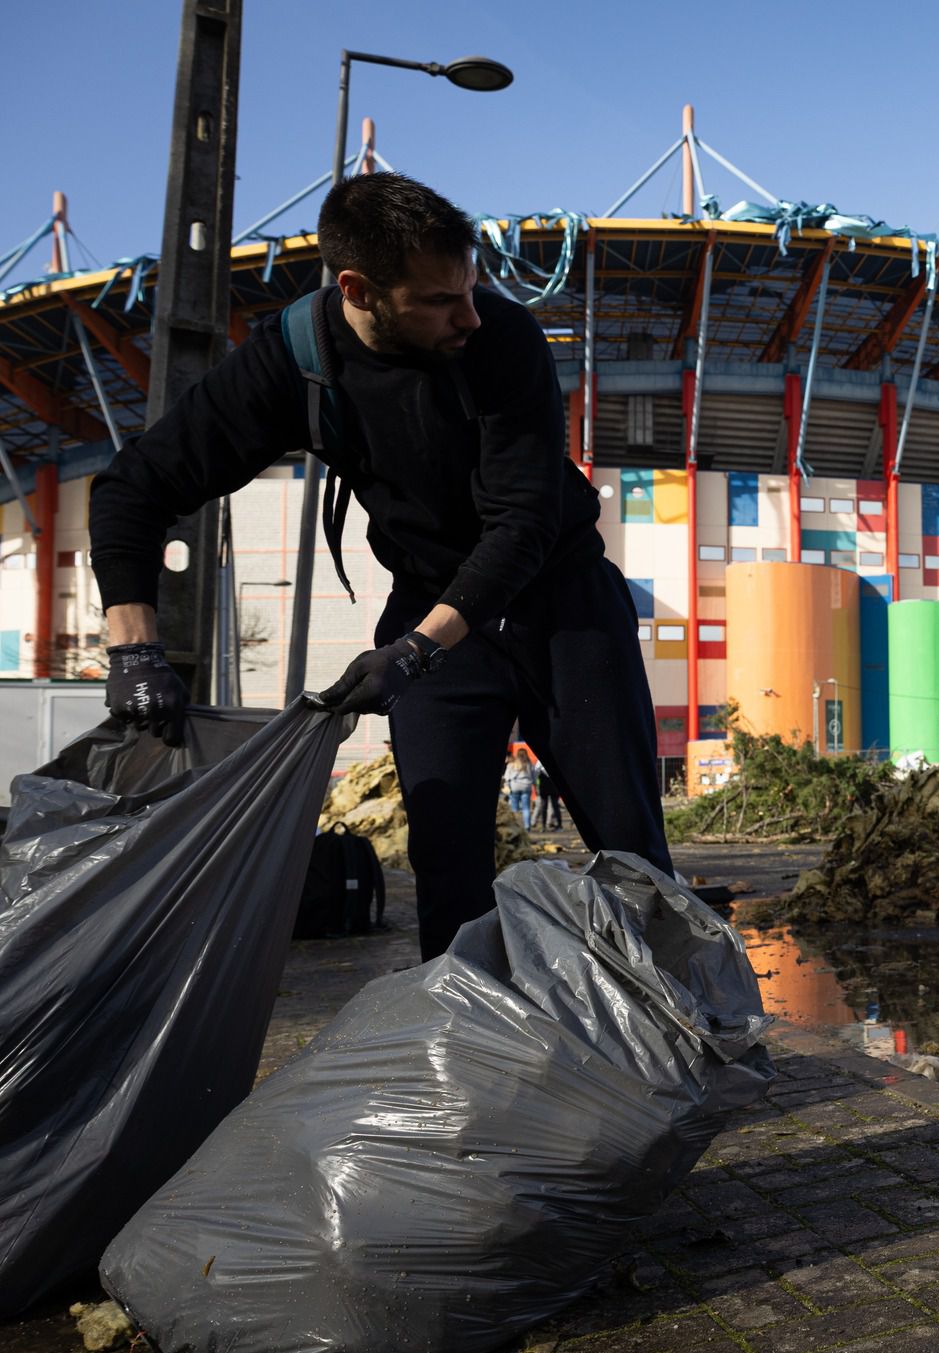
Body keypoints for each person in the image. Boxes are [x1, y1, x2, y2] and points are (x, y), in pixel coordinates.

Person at [88, 172, 673, 959]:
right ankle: (465, 1052)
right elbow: (134, 487)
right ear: (359, 289)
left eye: (472, 288)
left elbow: (522, 524)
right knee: (446, 865)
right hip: (430, 610)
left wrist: (415, 648)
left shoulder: (501, 340)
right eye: (438, 301)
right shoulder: (292, 361)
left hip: (562, 606)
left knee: (631, 849)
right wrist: (133, 648)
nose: (468, 314)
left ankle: (678, 1032)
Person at [503, 750, 535, 829]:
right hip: (526, 786)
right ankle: (527, 826)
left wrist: (507, 785)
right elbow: (533, 776)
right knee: (526, 808)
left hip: (514, 786)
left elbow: (506, 777)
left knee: (514, 808)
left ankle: (516, 826)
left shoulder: (511, 764)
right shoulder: (529, 764)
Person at [533, 758, 563, 829]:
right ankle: (559, 825)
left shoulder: (539, 763)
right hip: (553, 787)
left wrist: (535, 785)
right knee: (555, 806)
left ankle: (544, 826)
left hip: (544, 786)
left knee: (544, 806)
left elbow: (535, 774)